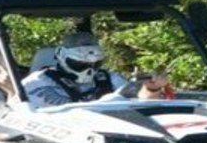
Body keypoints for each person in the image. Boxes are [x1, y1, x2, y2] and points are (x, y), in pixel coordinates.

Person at [22, 30, 170, 108]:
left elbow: (139, 103)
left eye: (95, 64)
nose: (89, 70)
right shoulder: (39, 82)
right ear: (61, 56)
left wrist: (152, 89)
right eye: (81, 64)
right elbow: (26, 115)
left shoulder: (109, 78)